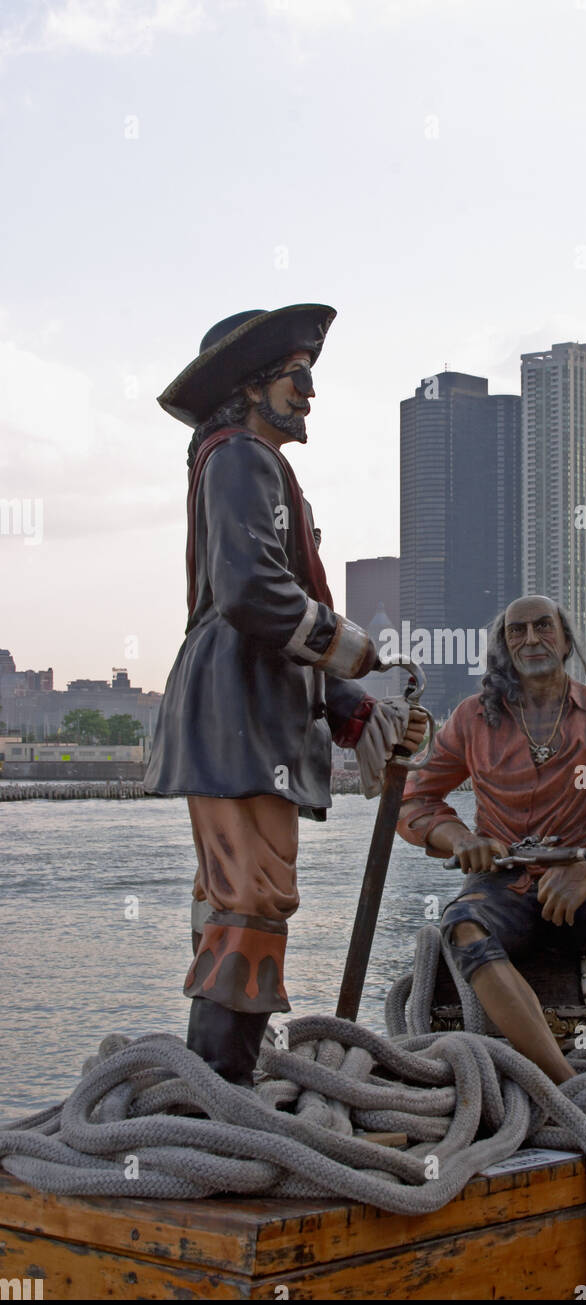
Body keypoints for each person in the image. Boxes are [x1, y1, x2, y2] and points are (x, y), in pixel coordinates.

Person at [145, 304, 426, 1086]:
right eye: (296, 378)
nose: (308, 394)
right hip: (238, 710)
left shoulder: (245, 462)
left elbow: (273, 611)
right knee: (251, 895)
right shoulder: (240, 457)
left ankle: (227, 1073)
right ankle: (223, 1088)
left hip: (245, 708)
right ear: (250, 387)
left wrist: (358, 711)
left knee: (239, 894)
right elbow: (252, 594)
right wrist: (354, 646)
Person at [397, 593, 586, 1135]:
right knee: (463, 923)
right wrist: (461, 836)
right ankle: (567, 1093)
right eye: (517, 631)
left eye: (543, 627)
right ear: (505, 648)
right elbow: (414, 801)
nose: (531, 640)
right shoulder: (473, 720)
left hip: (580, 891)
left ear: (566, 640)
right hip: (505, 891)